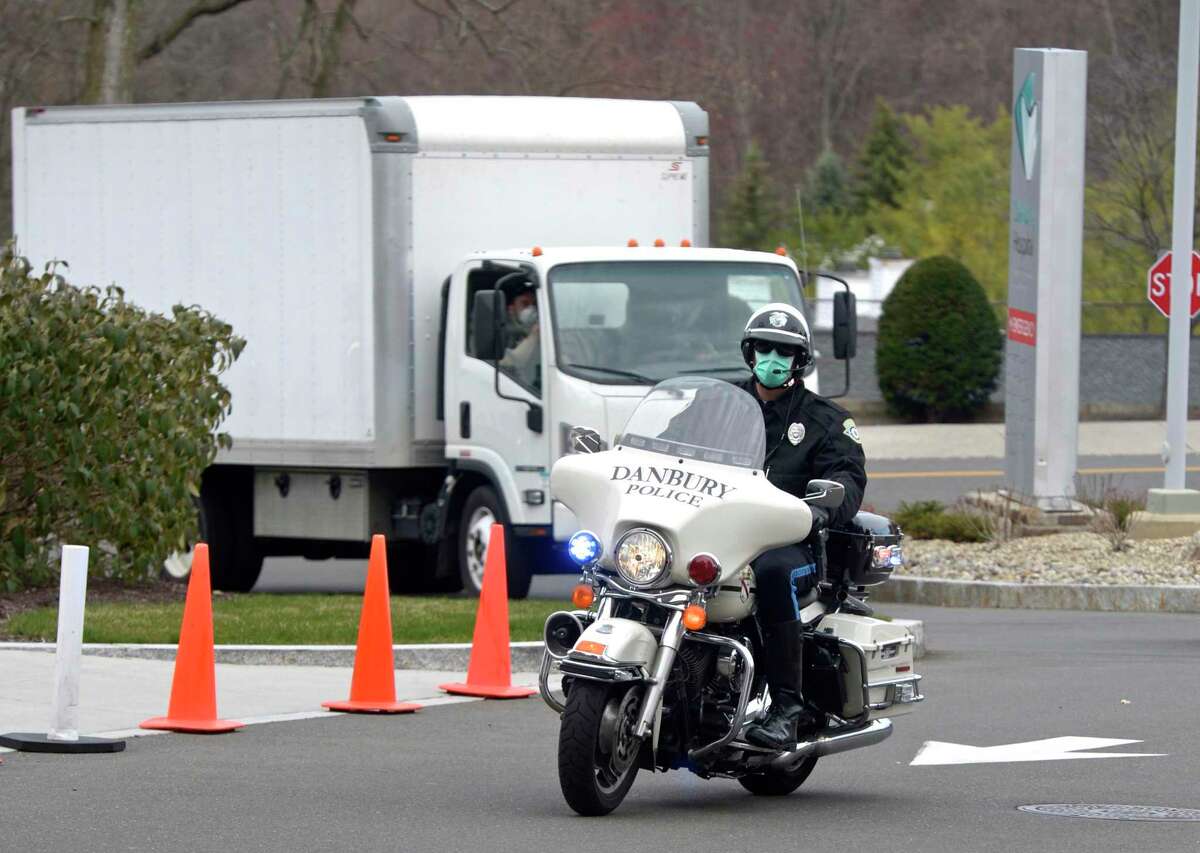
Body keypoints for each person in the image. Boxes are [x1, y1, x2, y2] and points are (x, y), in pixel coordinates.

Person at [735, 302, 867, 749]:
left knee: (772, 572)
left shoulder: (826, 421)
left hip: (793, 546)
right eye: (765, 349)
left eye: (784, 352)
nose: (773, 359)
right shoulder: (719, 407)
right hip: (721, 536)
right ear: (750, 353)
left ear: (799, 362)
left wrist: (821, 510)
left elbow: (848, 478)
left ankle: (787, 709)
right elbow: (669, 449)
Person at [498, 277, 540, 390]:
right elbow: (510, 362)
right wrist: (534, 336)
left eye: (534, 304)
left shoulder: (539, 333)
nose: (531, 309)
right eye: (525, 304)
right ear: (511, 309)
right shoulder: (500, 334)